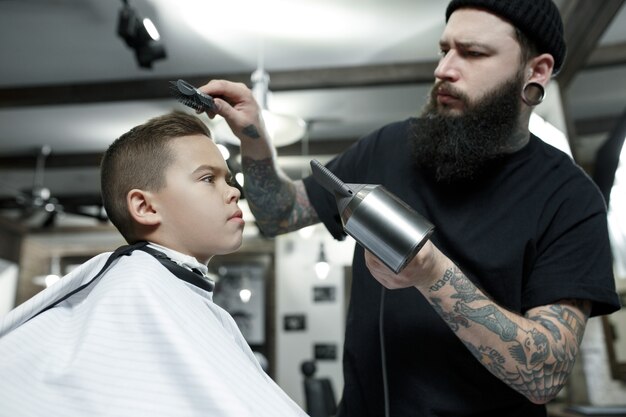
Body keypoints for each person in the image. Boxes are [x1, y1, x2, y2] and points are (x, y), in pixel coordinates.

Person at [198, 0, 621, 416]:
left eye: (472, 53)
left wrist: (431, 273)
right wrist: (254, 135)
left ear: (537, 71)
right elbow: (278, 214)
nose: (444, 70)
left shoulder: (570, 197)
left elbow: (545, 376)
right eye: (444, 50)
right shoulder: (389, 148)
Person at [0, 112, 307, 417]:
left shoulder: (172, 290)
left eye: (226, 179)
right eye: (207, 178)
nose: (234, 191)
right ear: (145, 207)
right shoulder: (136, 291)